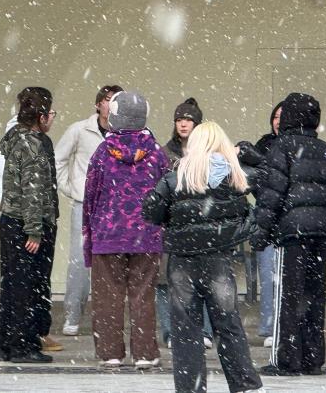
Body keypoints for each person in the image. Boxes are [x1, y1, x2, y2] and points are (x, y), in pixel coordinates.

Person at [143, 121, 266, 393]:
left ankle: (191, 387)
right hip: (218, 261)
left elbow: (150, 211)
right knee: (228, 325)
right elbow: (268, 179)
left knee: (186, 331)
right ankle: (245, 384)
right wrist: (248, 154)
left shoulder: (175, 178)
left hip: (182, 262)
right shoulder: (235, 177)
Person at [250, 93, 326, 377]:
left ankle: (286, 358)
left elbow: (271, 195)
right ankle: (312, 358)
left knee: (288, 298)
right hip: (320, 234)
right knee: (314, 297)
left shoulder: (282, 147)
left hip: (292, 234)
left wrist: (260, 233)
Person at [83, 90, 169, 368]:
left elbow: (90, 197)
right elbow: (167, 194)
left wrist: (89, 236)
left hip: (107, 236)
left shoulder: (102, 153)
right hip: (147, 236)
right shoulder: (156, 153)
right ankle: (145, 353)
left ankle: (110, 353)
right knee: (143, 296)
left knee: (107, 298)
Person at [0, 86, 63, 353]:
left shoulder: (14, 138)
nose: (52, 119)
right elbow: (33, 191)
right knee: (29, 285)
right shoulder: (32, 144)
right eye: (51, 113)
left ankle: (7, 340)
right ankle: (23, 343)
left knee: (12, 284)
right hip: (28, 224)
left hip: (10, 221)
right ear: (41, 116)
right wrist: (35, 230)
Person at [54, 84, 123, 336]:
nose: (111, 104)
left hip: (116, 207)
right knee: (80, 262)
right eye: (107, 99)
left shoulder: (126, 133)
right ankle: (72, 315)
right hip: (85, 205)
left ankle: (109, 317)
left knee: (114, 262)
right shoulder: (80, 129)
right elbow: (58, 160)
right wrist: (71, 188)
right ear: (98, 104)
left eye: (116, 100)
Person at [158, 97, 213, 349]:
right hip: (171, 223)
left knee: (203, 279)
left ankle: (204, 331)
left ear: (197, 124)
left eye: (188, 120)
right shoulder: (164, 153)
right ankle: (171, 332)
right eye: (179, 119)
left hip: (201, 222)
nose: (183, 124)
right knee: (165, 280)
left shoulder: (208, 153)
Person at [252, 101, 283, 348]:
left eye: (284, 116)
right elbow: (252, 178)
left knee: (287, 277)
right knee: (268, 275)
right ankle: (270, 325)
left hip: (290, 221)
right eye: (275, 116)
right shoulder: (263, 145)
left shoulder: (297, 146)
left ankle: (285, 325)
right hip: (267, 220)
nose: (278, 121)